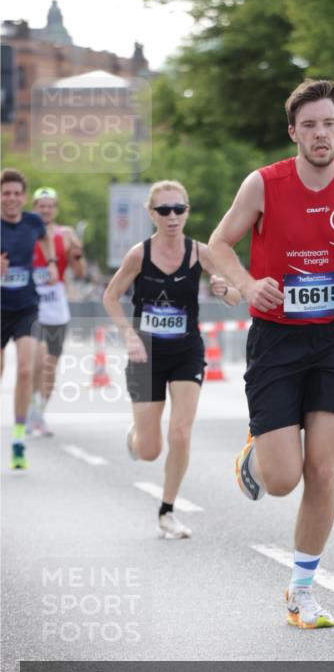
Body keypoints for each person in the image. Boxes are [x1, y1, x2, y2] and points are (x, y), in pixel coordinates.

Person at [209, 78, 334, 628]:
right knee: (281, 480)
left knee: (322, 470)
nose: (321, 134)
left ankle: (301, 592)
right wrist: (248, 286)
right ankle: (257, 453)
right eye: (310, 125)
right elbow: (219, 245)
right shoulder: (263, 184)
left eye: (329, 124)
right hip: (276, 339)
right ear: (293, 131)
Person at [103, 180, 240, 538]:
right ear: (152, 214)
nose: (172, 216)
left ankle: (167, 510)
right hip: (145, 355)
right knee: (149, 450)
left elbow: (235, 295)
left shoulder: (201, 253)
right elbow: (110, 297)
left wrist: (225, 289)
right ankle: (136, 435)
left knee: (180, 431)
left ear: (187, 212)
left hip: (186, 351)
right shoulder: (139, 254)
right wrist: (129, 335)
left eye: (179, 209)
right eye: (164, 210)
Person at [1, 169, 57, 469]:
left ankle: (19, 438)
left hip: (26, 306)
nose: (11, 199)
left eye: (15, 194)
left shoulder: (33, 222)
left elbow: (46, 239)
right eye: (5, 193)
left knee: (25, 369)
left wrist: (49, 262)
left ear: (23, 197)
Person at [28, 187, 87, 436]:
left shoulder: (66, 234)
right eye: (41, 205)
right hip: (32, 305)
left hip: (57, 306)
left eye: (50, 206)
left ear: (56, 209)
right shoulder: (24, 232)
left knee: (51, 364)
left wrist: (76, 253)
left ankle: (39, 412)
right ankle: (31, 409)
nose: (45, 210)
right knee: (38, 360)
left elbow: (81, 273)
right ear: (34, 208)